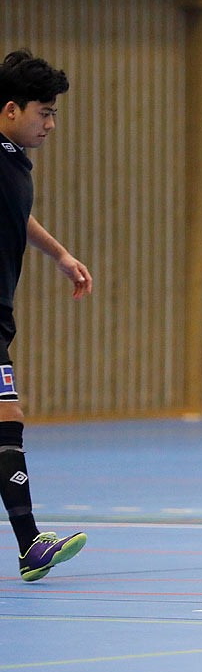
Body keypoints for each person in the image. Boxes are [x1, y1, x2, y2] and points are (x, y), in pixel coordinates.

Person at [0, 50, 92, 582]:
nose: (51, 124)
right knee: (6, 417)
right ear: (12, 109)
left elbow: (17, 213)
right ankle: (29, 542)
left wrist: (58, 253)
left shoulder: (10, 158)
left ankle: (28, 543)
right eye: (45, 112)